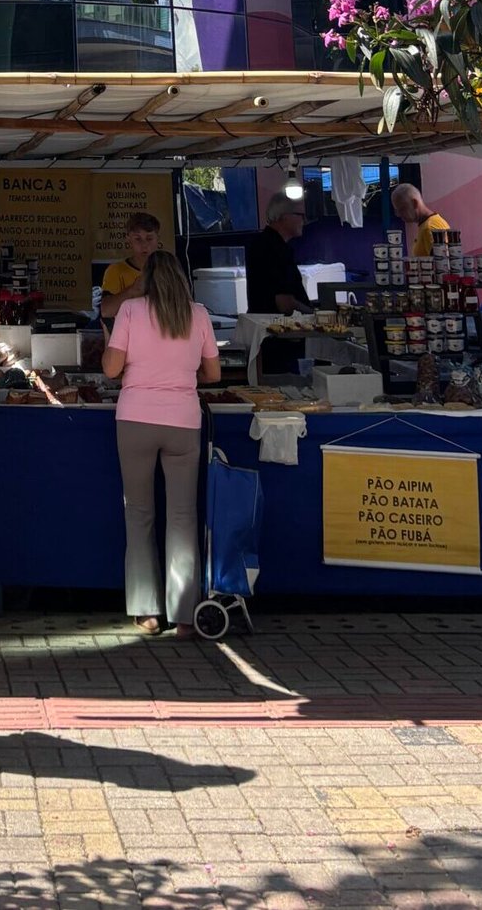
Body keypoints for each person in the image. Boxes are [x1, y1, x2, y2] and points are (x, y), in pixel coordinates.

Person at [102, 251, 220, 639]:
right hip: (184, 421)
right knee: (183, 517)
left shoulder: (131, 311)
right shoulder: (198, 313)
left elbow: (111, 368)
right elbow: (214, 373)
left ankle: (146, 612)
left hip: (135, 418)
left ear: (146, 279)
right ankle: (184, 615)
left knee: (139, 515)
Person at [245, 194, 311, 376]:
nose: (304, 221)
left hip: (266, 337)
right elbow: (285, 302)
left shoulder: (260, 243)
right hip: (279, 339)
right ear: (284, 216)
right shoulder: (276, 249)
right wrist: (314, 315)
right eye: (300, 215)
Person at [99, 212, 163, 323]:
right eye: (138, 239)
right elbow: (106, 311)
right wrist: (132, 290)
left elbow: (185, 305)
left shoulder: (168, 269)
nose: (144, 245)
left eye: (149, 238)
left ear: (158, 238)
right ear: (128, 239)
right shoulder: (116, 271)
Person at [390, 182, 450, 258]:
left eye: (402, 209)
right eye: (397, 211)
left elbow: (442, 264)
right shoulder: (427, 224)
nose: (399, 215)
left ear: (414, 203)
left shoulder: (430, 226)